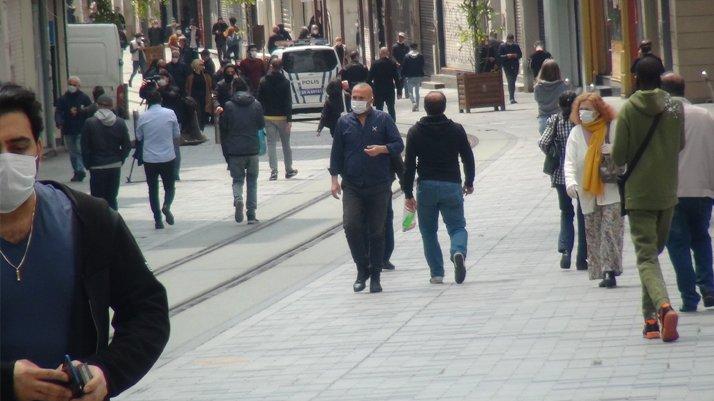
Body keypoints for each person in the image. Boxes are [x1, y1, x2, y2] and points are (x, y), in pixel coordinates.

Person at [0, 82, 169, 401]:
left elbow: (148, 311)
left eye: (17, 147)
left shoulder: (88, 220)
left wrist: (107, 371)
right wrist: (7, 382)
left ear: (37, 149)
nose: (5, 161)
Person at [612, 57, 685, 342]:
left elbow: (619, 156)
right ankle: (651, 322)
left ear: (635, 78)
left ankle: (664, 307)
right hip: (668, 191)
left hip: (639, 193)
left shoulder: (629, 108)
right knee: (651, 256)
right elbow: (680, 145)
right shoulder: (674, 106)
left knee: (645, 256)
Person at [329, 83, 404, 293]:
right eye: (354, 96)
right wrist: (334, 178)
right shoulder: (344, 121)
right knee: (351, 226)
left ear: (371, 99)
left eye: (361, 97)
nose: (357, 100)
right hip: (352, 184)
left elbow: (399, 144)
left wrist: (383, 149)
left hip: (379, 184)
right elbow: (337, 152)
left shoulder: (383, 119)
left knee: (377, 231)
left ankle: (376, 276)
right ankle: (362, 268)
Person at [403, 91, 475, 284]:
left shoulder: (415, 131)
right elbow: (467, 157)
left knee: (428, 231)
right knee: (457, 227)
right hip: (451, 185)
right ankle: (458, 251)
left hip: (426, 187)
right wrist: (469, 181)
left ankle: (436, 273)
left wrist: (408, 193)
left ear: (425, 108)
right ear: (444, 107)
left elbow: (408, 165)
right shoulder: (456, 129)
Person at [661, 72, 714, 312]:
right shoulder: (705, 116)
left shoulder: (661, 117)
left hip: (672, 191)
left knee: (677, 243)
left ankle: (689, 296)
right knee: (701, 237)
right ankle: (709, 288)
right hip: (702, 188)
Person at [563, 92, 624, 289]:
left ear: (598, 110)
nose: (583, 113)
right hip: (587, 192)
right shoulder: (576, 134)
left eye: (587, 109)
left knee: (610, 231)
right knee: (594, 232)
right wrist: (570, 182)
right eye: (580, 109)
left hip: (610, 190)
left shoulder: (611, 128)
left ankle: (609, 271)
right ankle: (602, 269)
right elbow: (570, 162)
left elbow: (626, 154)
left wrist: (613, 149)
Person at [538, 91, 588, 271]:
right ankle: (582, 257)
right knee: (583, 213)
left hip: (560, 174)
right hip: (581, 173)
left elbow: (543, 142)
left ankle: (566, 250)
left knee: (566, 212)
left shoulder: (555, 120)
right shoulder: (580, 122)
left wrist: (555, 153)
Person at [218, 78, 265, 224]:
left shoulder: (229, 106)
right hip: (252, 149)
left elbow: (224, 128)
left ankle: (238, 199)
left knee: (237, 180)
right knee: (252, 182)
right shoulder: (256, 104)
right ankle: (251, 214)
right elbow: (260, 125)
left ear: (233, 89)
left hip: (235, 150)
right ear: (247, 89)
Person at [135, 90, 181, 229]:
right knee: (169, 186)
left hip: (150, 158)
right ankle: (166, 205)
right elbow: (176, 134)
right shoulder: (170, 113)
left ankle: (157, 220)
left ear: (148, 102)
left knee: (152, 189)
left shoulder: (143, 117)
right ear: (161, 100)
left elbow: (139, 137)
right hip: (167, 156)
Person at [80, 95, 131, 211]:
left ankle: (99, 226)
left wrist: (88, 163)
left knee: (97, 199)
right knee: (112, 197)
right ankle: (113, 224)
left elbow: (85, 146)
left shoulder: (89, 123)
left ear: (98, 106)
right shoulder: (120, 122)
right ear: (112, 106)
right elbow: (127, 145)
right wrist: (120, 158)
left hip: (96, 165)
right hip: (114, 164)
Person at [257, 58, 296, 181]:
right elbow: (288, 102)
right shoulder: (285, 82)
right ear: (281, 68)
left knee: (271, 145)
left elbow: (259, 100)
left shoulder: (263, 81)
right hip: (283, 118)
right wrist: (289, 120)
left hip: (268, 117)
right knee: (286, 145)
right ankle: (289, 169)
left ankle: (274, 171)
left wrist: (260, 116)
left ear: (271, 67)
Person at [55, 76, 92, 182]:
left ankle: (80, 170)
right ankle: (77, 170)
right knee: (72, 152)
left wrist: (81, 112)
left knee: (79, 149)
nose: (72, 86)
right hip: (68, 129)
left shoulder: (84, 98)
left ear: (79, 86)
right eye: (70, 84)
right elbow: (58, 112)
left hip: (81, 128)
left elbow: (90, 110)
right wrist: (59, 122)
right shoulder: (63, 99)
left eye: (74, 85)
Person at [534, 59, 567, 134]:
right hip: (559, 120)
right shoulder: (562, 86)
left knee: (546, 144)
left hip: (543, 120)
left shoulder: (538, 87)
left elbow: (537, 99)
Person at [368, 47, 400, 122]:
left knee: (379, 109)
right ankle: (392, 123)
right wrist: (399, 91)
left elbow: (369, 79)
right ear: (388, 53)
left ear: (380, 53)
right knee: (391, 108)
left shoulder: (375, 63)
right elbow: (396, 78)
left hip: (378, 90)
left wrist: (372, 88)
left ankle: (379, 123)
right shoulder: (392, 63)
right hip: (389, 89)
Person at [185, 58, 215, 131]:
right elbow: (187, 87)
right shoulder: (190, 76)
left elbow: (210, 86)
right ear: (196, 65)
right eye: (201, 65)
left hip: (204, 97)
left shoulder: (206, 76)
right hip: (194, 97)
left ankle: (201, 128)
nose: (202, 66)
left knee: (203, 112)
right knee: (197, 113)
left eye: (203, 65)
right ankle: (197, 129)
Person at [400, 43, 425, 112]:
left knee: (410, 91)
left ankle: (413, 103)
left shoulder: (407, 56)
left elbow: (404, 66)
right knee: (417, 91)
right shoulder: (420, 56)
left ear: (410, 48)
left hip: (409, 76)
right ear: (416, 48)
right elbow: (422, 65)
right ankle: (417, 105)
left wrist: (403, 74)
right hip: (418, 75)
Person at [499, 33, 522, 104]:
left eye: (512, 40)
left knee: (513, 80)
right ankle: (511, 98)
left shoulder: (516, 46)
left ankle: (512, 97)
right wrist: (506, 56)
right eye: (509, 40)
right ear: (507, 39)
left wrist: (515, 55)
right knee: (510, 81)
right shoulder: (502, 46)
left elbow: (520, 55)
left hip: (515, 65)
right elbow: (499, 56)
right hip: (507, 66)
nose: (511, 42)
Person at [392, 32, 409, 99]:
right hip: (398, 67)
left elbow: (408, 55)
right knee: (399, 80)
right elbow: (392, 56)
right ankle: (399, 94)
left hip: (405, 66)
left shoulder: (406, 47)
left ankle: (407, 94)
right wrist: (396, 62)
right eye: (399, 36)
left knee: (406, 80)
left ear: (404, 38)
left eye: (402, 37)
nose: (400, 38)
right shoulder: (395, 46)